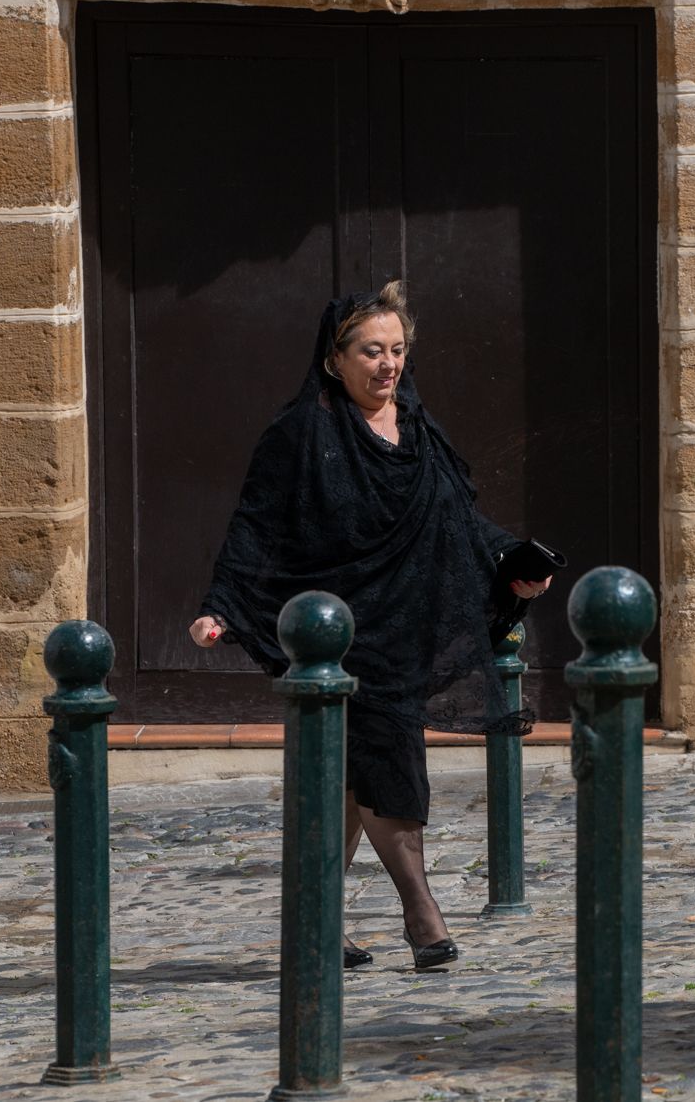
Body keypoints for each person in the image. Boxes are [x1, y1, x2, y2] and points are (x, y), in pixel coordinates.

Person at [189, 281, 549, 971]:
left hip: (404, 625)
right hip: (336, 635)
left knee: (352, 781)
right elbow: (256, 524)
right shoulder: (300, 432)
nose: (387, 365)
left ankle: (314, 922)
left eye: (397, 351)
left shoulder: (417, 428)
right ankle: (423, 915)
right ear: (335, 359)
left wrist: (510, 559)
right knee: (387, 762)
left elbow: (458, 518)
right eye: (371, 352)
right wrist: (223, 606)